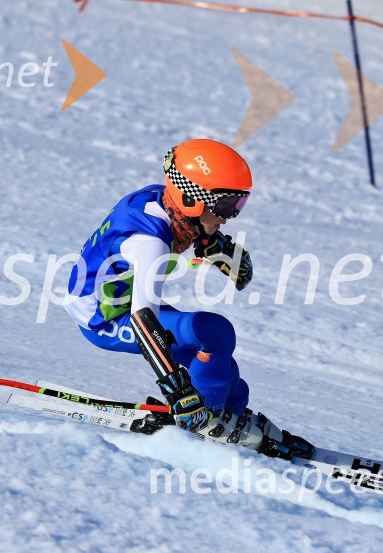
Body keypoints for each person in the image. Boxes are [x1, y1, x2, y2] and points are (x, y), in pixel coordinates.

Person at [64, 139, 313, 460]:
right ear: (191, 200)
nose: (230, 217)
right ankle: (204, 423)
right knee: (215, 333)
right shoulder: (149, 243)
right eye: (226, 206)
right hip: (103, 320)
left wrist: (211, 243)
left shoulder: (167, 202)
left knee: (228, 376)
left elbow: (184, 226)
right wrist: (178, 391)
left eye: (238, 205)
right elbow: (143, 321)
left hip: (120, 303)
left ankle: (232, 416)